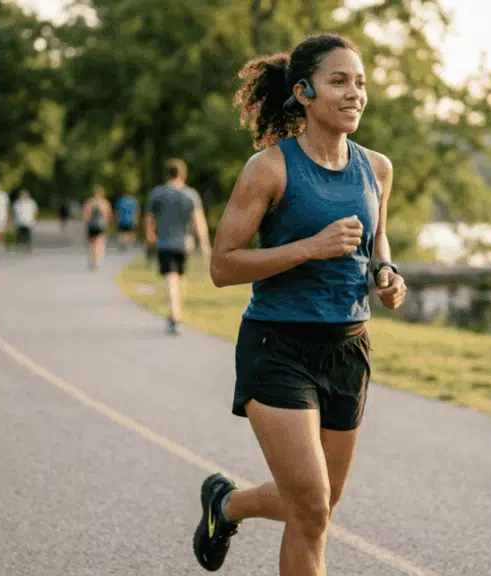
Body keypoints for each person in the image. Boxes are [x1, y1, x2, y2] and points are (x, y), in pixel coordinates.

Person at [191, 33, 407, 574]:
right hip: (278, 345)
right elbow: (222, 266)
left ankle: (226, 505)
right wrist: (310, 247)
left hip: (348, 350)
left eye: (360, 82)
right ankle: (229, 506)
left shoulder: (377, 168)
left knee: (318, 507)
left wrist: (386, 272)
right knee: (310, 507)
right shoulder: (268, 169)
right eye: (339, 81)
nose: (354, 93)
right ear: (304, 92)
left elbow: (377, 238)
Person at [144, 158, 211, 335]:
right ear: (183, 174)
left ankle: (174, 316)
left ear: (167, 174)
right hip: (185, 244)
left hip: (164, 243)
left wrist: (149, 237)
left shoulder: (157, 193)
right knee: (180, 278)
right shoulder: (191, 194)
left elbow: (149, 219)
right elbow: (199, 221)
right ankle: (177, 312)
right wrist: (204, 244)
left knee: (170, 278)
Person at [82, 186, 113, 269]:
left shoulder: (89, 202)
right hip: (100, 226)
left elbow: (85, 216)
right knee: (100, 243)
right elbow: (108, 215)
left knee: (92, 243)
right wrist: (108, 224)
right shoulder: (105, 203)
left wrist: (85, 226)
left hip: (91, 226)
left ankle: (93, 258)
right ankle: (97, 260)